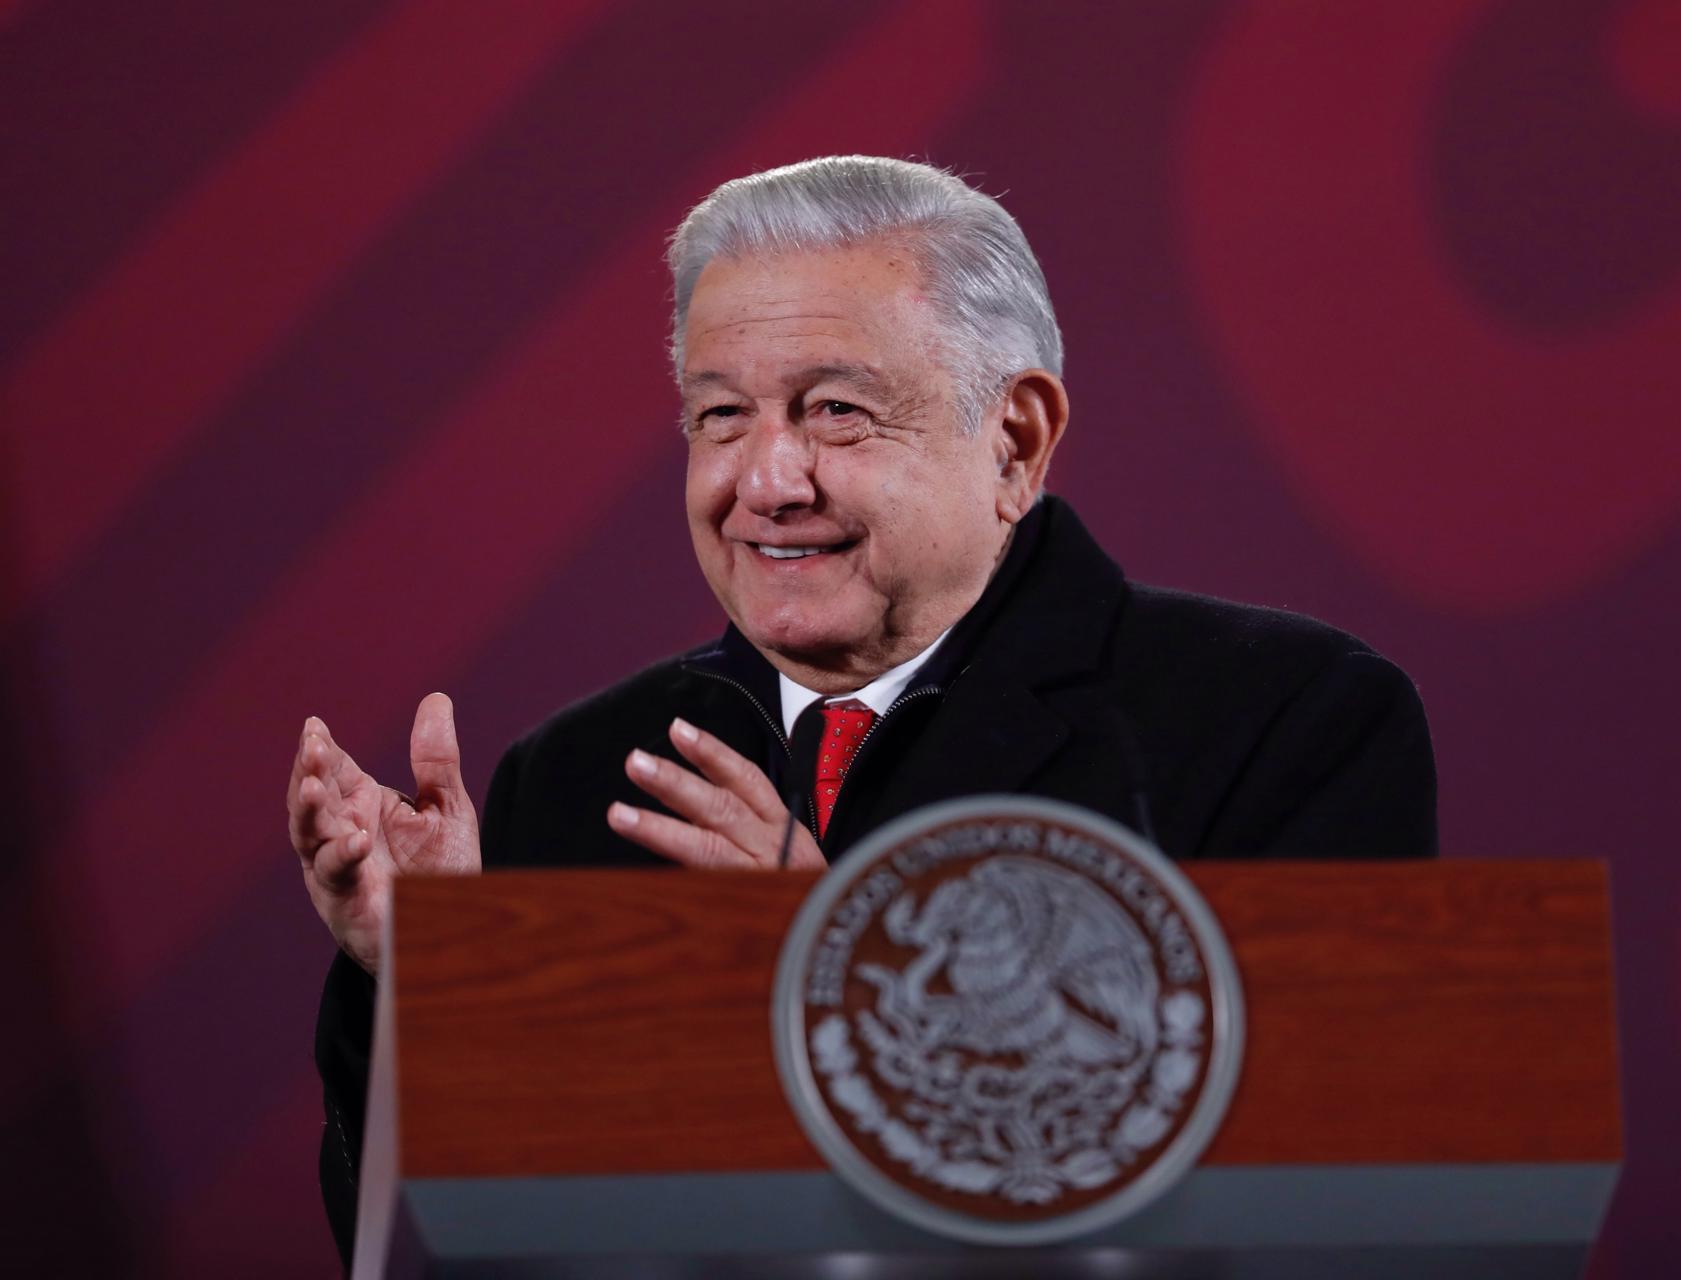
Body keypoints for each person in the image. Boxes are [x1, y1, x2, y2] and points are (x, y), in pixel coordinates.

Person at [288, 156, 1437, 1263]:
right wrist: (425, 985)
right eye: (721, 415)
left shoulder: (1284, 720)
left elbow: (1305, 1211)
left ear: (1016, 439)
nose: (767, 482)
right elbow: (454, 1249)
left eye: (836, 411)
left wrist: (849, 982)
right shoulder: (579, 774)